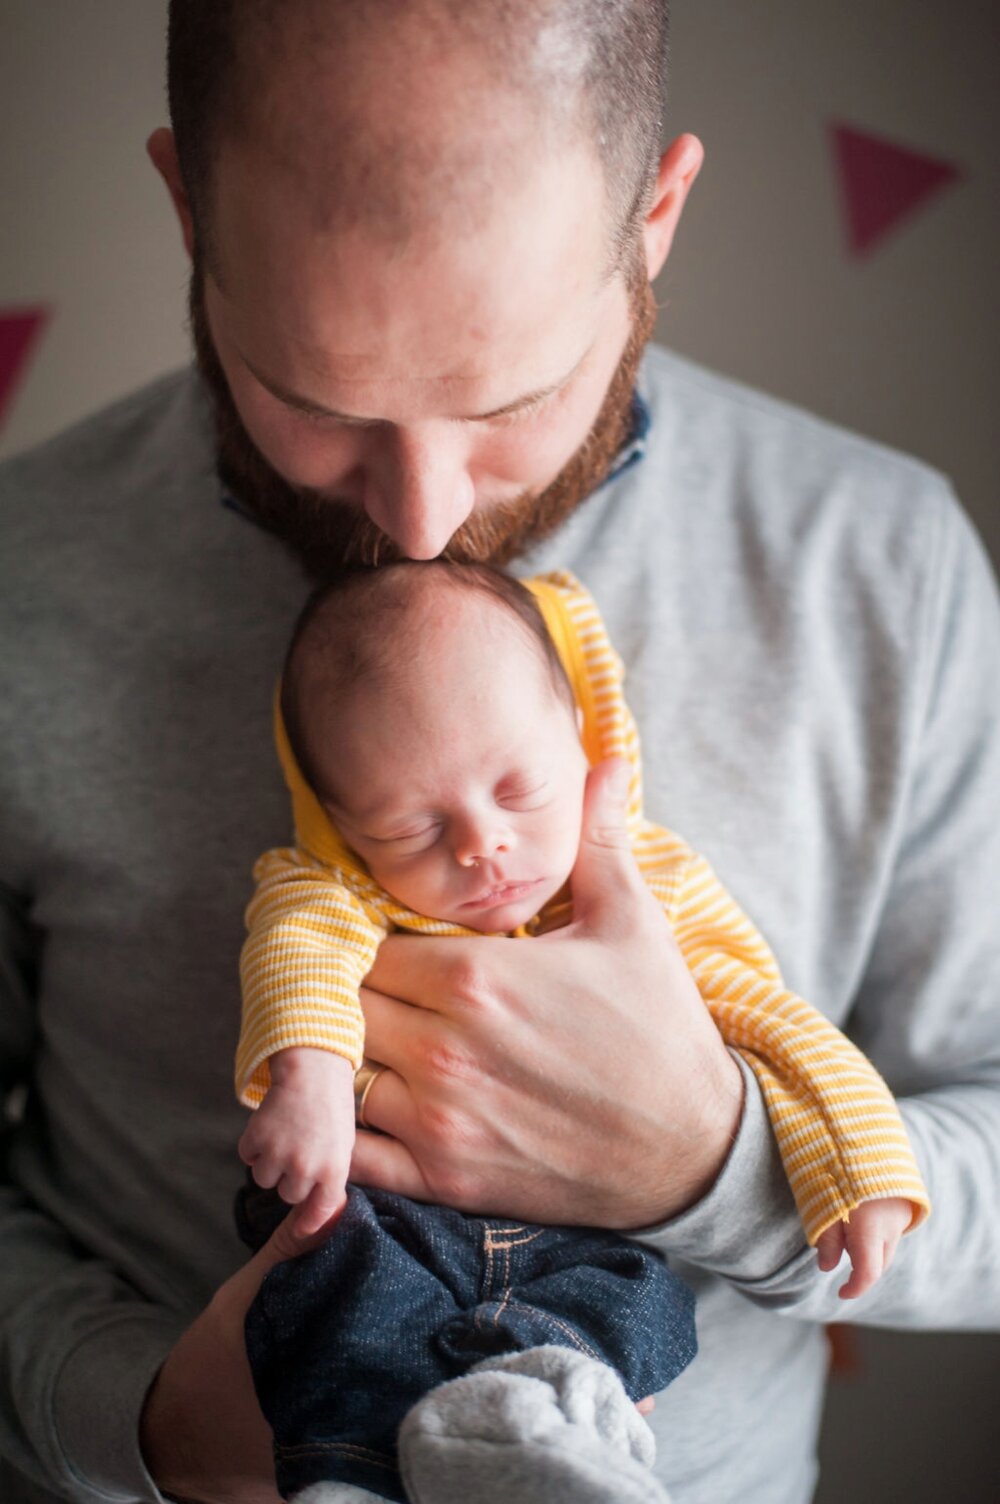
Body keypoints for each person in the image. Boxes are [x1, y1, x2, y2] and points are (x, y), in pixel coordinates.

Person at [0, 3, 997, 1503]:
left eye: (508, 400)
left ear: (653, 219)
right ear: (188, 210)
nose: (415, 519)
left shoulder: (885, 566)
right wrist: (128, 1413)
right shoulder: (24, 575)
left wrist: (711, 1164)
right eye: (316, 400)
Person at [233, 558, 926, 1503]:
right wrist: (309, 1083)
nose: (481, 845)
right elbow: (297, 957)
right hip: (383, 1221)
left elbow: (775, 1027)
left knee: (643, 1312)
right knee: (334, 1297)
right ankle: (358, 1473)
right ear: (345, 828)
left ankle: (562, 1444)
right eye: (408, 828)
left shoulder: (656, 894)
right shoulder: (335, 892)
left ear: (585, 742)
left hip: (587, 1243)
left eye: (518, 790)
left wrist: (861, 1166)